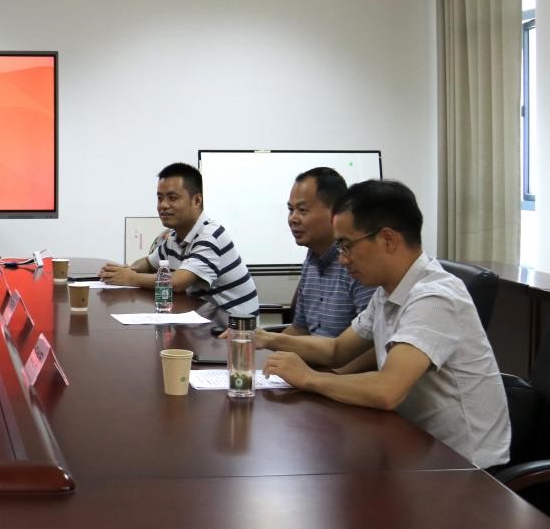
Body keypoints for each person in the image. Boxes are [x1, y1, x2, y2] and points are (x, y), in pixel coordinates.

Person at [258, 179, 510, 468]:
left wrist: (309, 378)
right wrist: (267, 338)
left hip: (466, 468)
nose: (342, 259)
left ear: (387, 239)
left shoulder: (435, 297)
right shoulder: (388, 291)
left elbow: (388, 389)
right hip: (415, 448)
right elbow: (337, 350)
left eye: (346, 245)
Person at [99, 163, 259, 317]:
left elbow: (177, 283)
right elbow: (149, 263)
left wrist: (130, 278)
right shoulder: (174, 236)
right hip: (203, 321)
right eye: (160, 198)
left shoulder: (211, 236)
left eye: (172, 198)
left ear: (196, 200)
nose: (163, 205)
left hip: (234, 328)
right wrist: (125, 270)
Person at [279, 167, 375, 337]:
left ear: (335, 212)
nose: (293, 218)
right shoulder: (311, 260)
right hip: (315, 354)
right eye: (290, 209)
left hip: (342, 354)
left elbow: (370, 341)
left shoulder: (357, 262)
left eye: (302, 210)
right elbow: (300, 329)